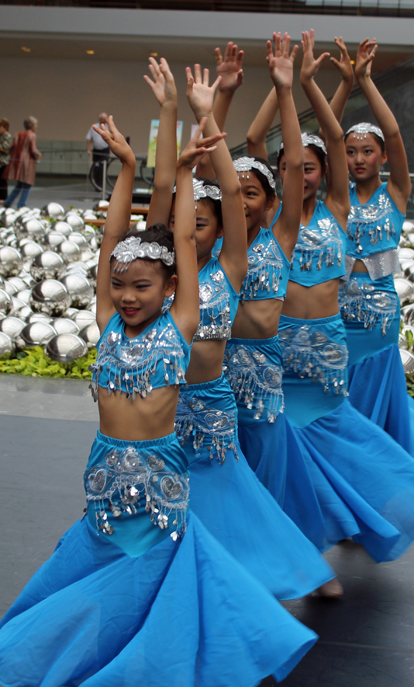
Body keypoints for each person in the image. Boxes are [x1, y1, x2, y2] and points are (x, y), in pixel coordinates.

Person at [0, 112, 318, 687]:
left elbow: (184, 238)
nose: (128, 296)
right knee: (83, 586)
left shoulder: (180, 327)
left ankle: (158, 666)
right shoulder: (108, 323)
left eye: (143, 286)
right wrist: (127, 169)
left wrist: (185, 173)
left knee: (158, 590)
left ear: (170, 289)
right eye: (120, 285)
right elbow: (112, 240)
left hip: (162, 488)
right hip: (105, 488)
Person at [241, 32, 414, 579]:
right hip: (284, 351)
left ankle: (344, 522)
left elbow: (338, 134)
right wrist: (286, 86)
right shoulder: (278, 222)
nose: (302, 174)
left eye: (312, 166)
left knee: (338, 447)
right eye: (292, 168)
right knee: (288, 458)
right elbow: (257, 139)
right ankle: (297, 549)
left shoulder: (338, 207)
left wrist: (320, 83)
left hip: (336, 345)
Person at [144, 52, 335, 601]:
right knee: (221, 491)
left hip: (263, 380)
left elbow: (290, 164)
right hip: (211, 383)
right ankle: (214, 577)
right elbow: (194, 180)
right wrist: (207, 107)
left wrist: (284, 87)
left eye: (257, 194)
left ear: (273, 202)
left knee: (269, 486)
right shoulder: (190, 264)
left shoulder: (275, 241)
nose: (245, 202)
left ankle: (291, 565)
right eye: (240, 194)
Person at [335, 38, 414, 461]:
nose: (358, 158)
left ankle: (373, 468)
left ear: (383, 156)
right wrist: (342, 86)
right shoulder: (337, 198)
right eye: (350, 151)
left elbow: (392, 129)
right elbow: (324, 137)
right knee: (338, 401)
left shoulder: (397, 193)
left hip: (378, 314)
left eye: (367, 152)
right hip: (336, 312)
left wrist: (367, 81)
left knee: (371, 404)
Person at [3, 116, 41, 209]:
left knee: (20, 184)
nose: (36, 127)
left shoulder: (18, 134)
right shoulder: (32, 135)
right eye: (35, 125)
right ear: (31, 126)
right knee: (27, 184)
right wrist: (39, 155)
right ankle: (21, 204)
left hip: (18, 161)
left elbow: (10, 146)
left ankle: (8, 201)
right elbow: (33, 150)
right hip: (28, 163)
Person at [87, 112, 110, 188]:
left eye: (104, 119)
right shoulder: (94, 126)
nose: (103, 120)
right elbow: (89, 138)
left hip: (105, 150)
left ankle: (101, 185)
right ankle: (96, 184)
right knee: (96, 167)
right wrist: (88, 149)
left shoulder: (108, 127)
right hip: (96, 150)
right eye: (102, 119)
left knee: (102, 168)